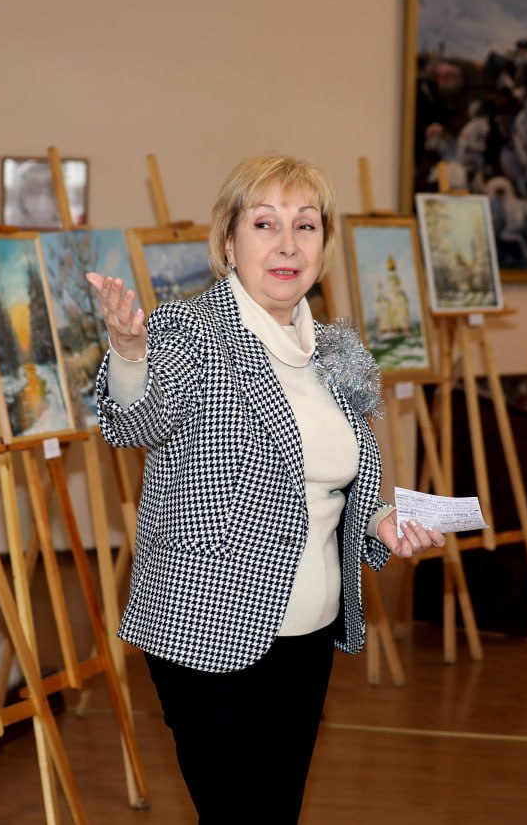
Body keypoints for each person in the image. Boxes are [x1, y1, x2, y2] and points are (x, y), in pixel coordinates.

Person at [87, 154, 445, 823]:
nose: (288, 243)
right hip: (210, 629)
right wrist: (130, 353)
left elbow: (329, 479)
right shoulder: (191, 331)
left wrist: (379, 520)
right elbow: (139, 419)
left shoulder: (331, 351)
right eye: (264, 223)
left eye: (305, 225)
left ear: (323, 245)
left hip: (310, 632)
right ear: (228, 242)